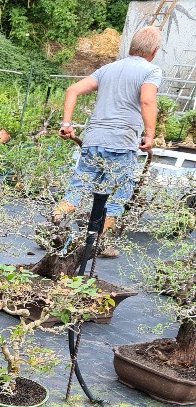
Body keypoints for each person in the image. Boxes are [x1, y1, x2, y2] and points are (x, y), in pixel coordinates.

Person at [54, 25, 162, 257]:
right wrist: (150, 136)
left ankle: (53, 225)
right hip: (122, 144)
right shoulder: (151, 71)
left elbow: (72, 90)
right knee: (117, 196)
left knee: (78, 188)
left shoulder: (107, 69)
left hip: (94, 141)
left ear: (131, 47)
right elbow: (147, 101)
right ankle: (96, 244)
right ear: (154, 52)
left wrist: (67, 124)